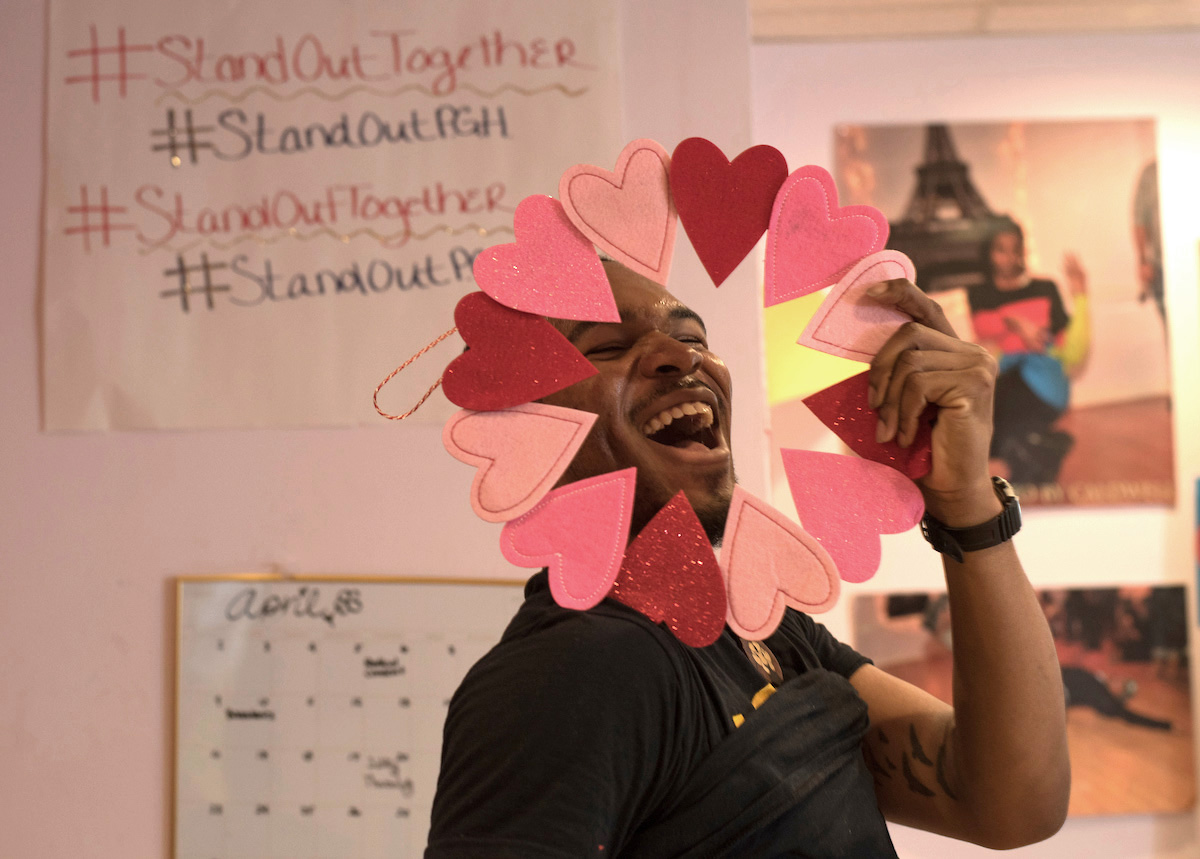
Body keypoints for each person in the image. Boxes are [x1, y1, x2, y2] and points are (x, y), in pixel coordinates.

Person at [425, 259, 1070, 857]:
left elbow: (1011, 803)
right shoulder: (569, 673)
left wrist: (967, 506)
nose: (682, 358)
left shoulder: (757, 626)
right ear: (528, 429)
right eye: (611, 347)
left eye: (694, 339)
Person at [967, 220, 1086, 486]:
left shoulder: (1045, 288)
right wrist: (1016, 324)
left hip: (1042, 381)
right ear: (988, 253)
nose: (1009, 257)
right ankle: (1046, 447)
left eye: (1015, 249)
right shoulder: (980, 294)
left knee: (989, 432)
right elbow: (983, 328)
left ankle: (1038, 449)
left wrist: (1081, 294)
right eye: (1000, 249)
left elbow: (1068, 346)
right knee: (985, 438)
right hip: (1004, 379)